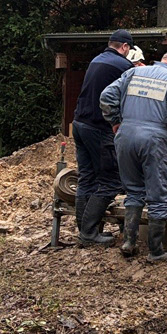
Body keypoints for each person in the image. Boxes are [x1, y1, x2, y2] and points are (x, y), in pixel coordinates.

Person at [99, 49, 167, 262]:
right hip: (155, 139)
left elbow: (106, 96)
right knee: (158, 196)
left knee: (133, 190)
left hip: (126, 136)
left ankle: (129, 242)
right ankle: (156, 250)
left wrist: (115, 121)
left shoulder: (133, 73)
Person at [70, 29, 134, 246]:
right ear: (124, 47)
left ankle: (85, 230)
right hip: (98, 127)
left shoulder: (97, 60)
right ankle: (88, 233)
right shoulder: (123, 66)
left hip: (79, 123)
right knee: (110, 181)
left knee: (87, 177)